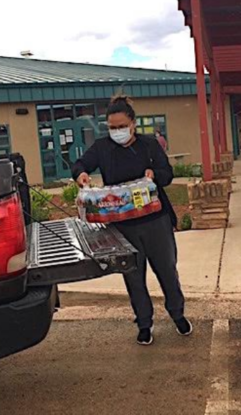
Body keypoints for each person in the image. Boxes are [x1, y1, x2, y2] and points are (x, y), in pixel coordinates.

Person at [72, 94, 192, 346]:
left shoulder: (149, 145)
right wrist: (81, 174)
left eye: (121, 126)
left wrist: (153, 174)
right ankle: (144, 324)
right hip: (123, 225)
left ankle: (178, 314)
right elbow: (82, 162)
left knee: (167, 271)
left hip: (155, 220)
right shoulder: (103, 148)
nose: (117, 131)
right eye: (112, 127)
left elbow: (167, 174)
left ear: (133, 124)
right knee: (133, 277)